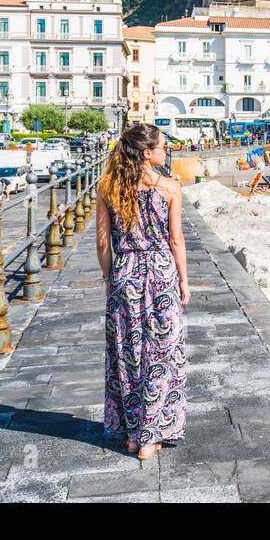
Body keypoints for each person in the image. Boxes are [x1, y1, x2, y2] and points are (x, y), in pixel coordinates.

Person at [96, 124, 189, 462]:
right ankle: (150, 436)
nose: (167, 151)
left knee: (128, 354)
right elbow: (176, 240)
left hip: (125, 277)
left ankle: (134, 435)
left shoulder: (108, 188)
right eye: (163, 146)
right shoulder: (170, 188)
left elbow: (103, 243)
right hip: (161, 275)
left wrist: (109, 278)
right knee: (162, 356)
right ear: (147, 153)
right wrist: (183, 281)